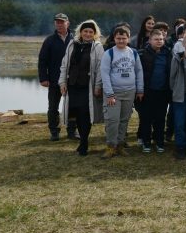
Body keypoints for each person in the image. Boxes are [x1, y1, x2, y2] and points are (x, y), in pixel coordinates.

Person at [58, 19, 104, 156]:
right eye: (85, 31)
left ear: (95, 33)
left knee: (85, 114)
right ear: (81, 32)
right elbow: (64, 65)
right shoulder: (72, 44)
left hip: (87, 87)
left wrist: (98, 86)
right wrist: (62, 83)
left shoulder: (97, 47)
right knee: (77, 114)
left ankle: (84, 143)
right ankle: (83, 141)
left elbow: (101, 68)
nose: (88, 34)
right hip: (73, 85)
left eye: (91, 32)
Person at [99, 26, 144, 159]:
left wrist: (140, 89)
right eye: (118, 38)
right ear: (114, 38)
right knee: (112, 120)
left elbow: (139, 71)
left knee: (124, 120)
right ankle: (110, 147)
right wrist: (109, 94)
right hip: (113, 93)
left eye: (124, 38)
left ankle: (120, 145)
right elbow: (105, 74)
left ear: (128, 38)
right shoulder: (109, 53)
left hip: (129, 92)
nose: (121, 41)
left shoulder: (133, 53)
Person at [38, 13, 75, 141]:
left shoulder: (75, 39)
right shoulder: (49, 40)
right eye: (57, 22)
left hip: (72, 80)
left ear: (67, 23)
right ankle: (54, 132)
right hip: (54, 80)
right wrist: (43, 78)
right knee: (53, 107)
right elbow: (42, 61)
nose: (59, 24)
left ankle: (72, 131)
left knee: (72, 106)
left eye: (62, 22)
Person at [138, 29, 173, 153]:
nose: (159, 41)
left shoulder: (168, 53)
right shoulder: (142, 54)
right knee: (146, 118)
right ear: (150, 40)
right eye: (156, 39)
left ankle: (159, 141)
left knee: (160, 118)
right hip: (147, 91)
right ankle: (146, 142)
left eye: (161, 39)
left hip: (163, 91)